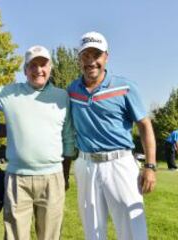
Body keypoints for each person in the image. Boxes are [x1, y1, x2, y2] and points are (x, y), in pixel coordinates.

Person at [67, 31, 156, 240]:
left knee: (132, 230)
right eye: (85, 55)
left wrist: (150, 167)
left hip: (120, 163)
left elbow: (144, 124)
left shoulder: (124, 87)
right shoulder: (72, 90)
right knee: (93, 231)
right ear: (79, 58)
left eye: (96, 55)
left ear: (106, 56)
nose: (91, 61)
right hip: (85, 165)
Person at [0, 45, 76, 240]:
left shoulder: (62, 97)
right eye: (33, 65)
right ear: (25, 70)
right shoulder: (7, 93)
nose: (38, 70)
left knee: (49, 236)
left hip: (52, 177)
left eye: (43, 65)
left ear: (50, 68)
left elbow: (67, 139)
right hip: (17, 178)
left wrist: (65, 174)